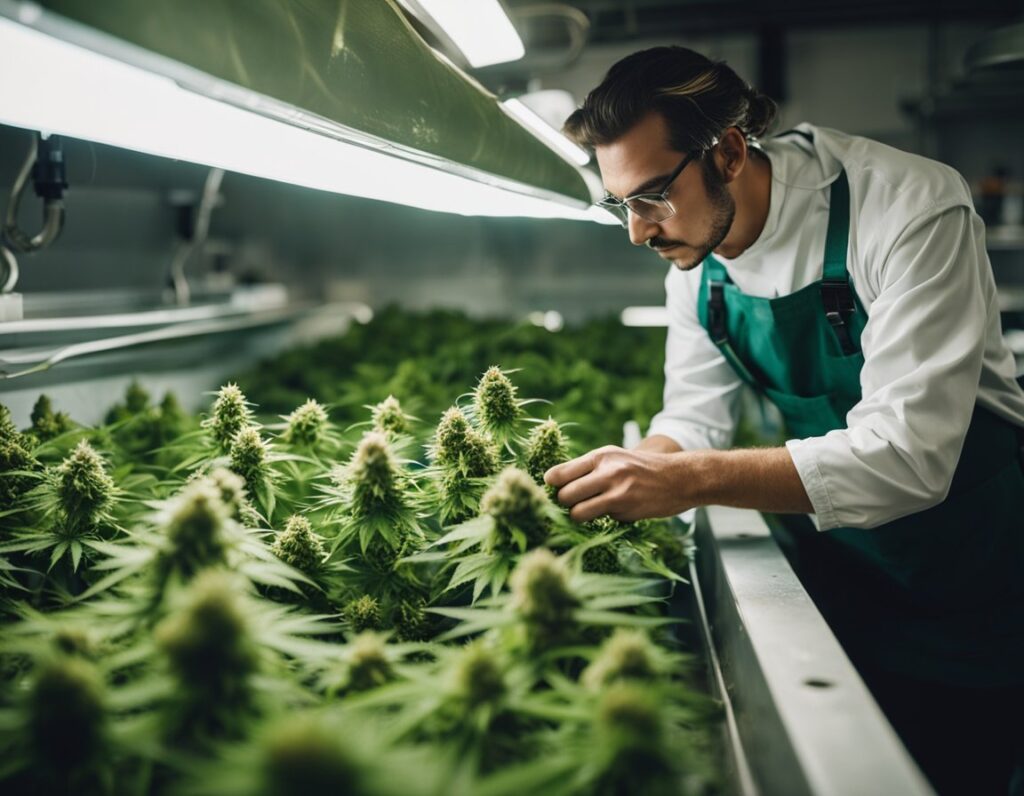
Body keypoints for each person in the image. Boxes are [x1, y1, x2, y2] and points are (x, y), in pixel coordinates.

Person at [546, 46, 1024, 795]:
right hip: (843, 569)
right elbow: (695, 419)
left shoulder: (907, 207)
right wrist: (629, 478)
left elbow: (906, 456)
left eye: (652, 196)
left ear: (730, 151)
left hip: (968, 582)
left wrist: (684, 477)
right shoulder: (694, 257)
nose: (637, 231)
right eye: (620, 204)